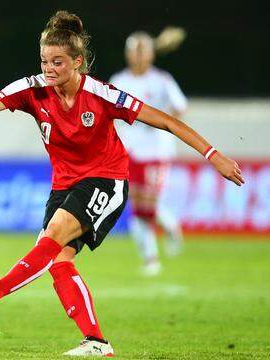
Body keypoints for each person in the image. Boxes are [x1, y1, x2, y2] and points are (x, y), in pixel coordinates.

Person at [0, 10, 243, 357]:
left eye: (57, 62)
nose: (48, 68)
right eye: (45, 60)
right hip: (64, 185)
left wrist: (214, 156)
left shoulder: (103, 95)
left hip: (106, 180)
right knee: (59, 261)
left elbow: (165, 120)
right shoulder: (32, 90)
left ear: (78, 62)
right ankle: (97, 341)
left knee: (53, 236)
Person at [110, 28, 188, 276]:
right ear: (128, 54)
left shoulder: (162, 80)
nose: (138, 56)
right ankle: (150, 258)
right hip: (129, 150)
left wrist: (157, 122)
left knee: (149, 206)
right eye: (134, 51)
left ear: (151, 55)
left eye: (142, 52)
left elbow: (180, 107)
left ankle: (171, 226)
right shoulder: (119, 81)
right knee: (136, 207)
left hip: (157, 150)